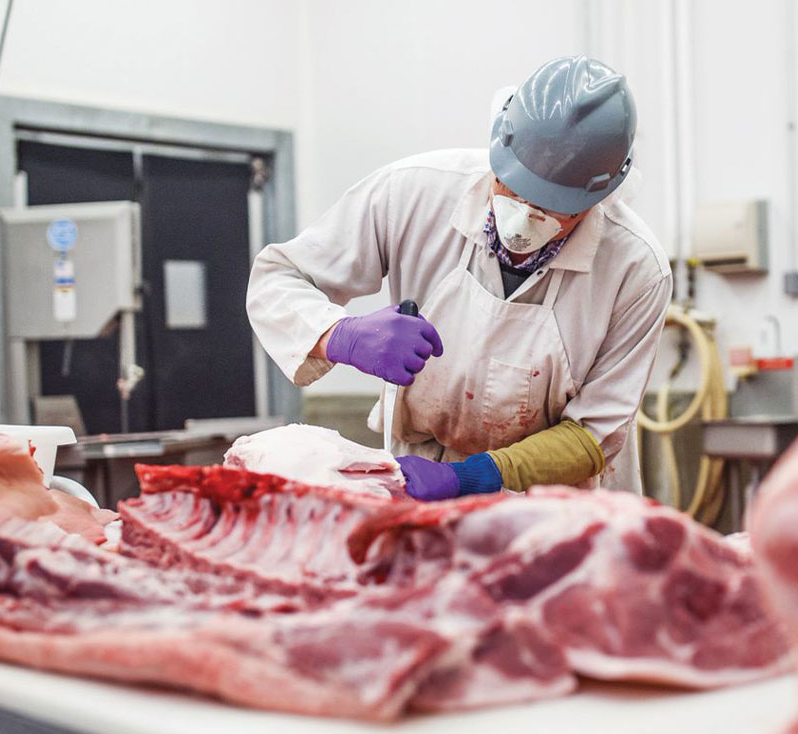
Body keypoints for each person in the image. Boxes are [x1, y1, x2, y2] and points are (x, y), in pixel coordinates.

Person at [248, 56, 671, 501]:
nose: (523, 221)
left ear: (599, 197)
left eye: (553, 208)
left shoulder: (636, 269)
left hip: (558, 505)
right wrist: (340, 335)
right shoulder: (413, 192)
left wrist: (471, 478)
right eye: (512, 188)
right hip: (418, 478)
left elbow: (593, 435)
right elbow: (279, 277)